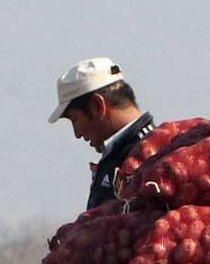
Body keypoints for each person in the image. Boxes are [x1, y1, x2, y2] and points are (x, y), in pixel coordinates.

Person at [48, 58, 156, 210]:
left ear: (97, 106)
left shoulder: (149, 155)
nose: (77, 134)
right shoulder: (120, 153)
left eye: (74, 119)